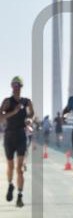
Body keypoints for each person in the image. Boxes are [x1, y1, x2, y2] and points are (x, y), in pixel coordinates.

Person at [1, 76, 34, 207]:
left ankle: (20, 196)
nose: (16, 87)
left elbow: (31, 114)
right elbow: (0, 117)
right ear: (11, 86)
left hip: (21, 136)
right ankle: (10, 185)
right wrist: (14, 112)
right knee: (10, 166)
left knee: (19, 168)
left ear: (21, 87)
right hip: (9, 136)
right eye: (14, 85)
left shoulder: (27, 101)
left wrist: (29, 120)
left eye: (18, 85)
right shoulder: (7, 102)